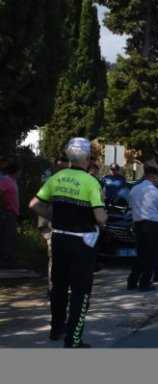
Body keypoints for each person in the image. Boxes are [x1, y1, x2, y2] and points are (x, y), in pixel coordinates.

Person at [29, 137, 108, 348]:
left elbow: (34, 204)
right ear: (87, 158)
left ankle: (56, 329)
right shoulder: (92, 182)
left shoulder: (57, 177)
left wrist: (56, 217)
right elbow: (100, 217)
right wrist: (104, 218)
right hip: (82, 242)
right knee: (81, 291)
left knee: (59, 287)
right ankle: (73, 339)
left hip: (59, 237)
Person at [127, 165, 158, 292]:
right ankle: (145, 282)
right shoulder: (155, 191)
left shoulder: (134, 189)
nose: (157, 180)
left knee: (141, 255)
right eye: (157, 177)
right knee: (151, 255)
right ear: (153, 177)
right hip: (153, 225)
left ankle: (132, 281)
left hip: (138, 224)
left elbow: (130, 205)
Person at [37, 156, 69, 295]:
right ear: (55, 168)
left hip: (66, 229)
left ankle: (61, 287)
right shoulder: (50, 183)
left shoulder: (69, 183)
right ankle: (53, 288)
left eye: (66, 168)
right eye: (60, 168)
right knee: (54, 258)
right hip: (51, 227)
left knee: (65, 259)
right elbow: (38, 205)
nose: (63, 171)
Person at [0, 161, 22, 268]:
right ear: (16, 171)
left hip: (12, 211)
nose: (20, 172)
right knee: (6, 237)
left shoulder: (12, 180)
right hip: (8, 212)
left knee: (10, 237)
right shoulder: (7, 180)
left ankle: (8, 259)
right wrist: (5, 203)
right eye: (19, 170)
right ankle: (4, 261)